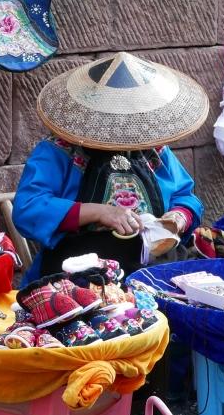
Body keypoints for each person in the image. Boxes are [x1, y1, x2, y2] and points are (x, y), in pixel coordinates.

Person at [13, 51, 208, 283]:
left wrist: (179, 217)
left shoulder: (154, 149)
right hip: (80, 274)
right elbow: (28, 208)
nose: (122, 121)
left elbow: (185, 196)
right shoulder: (58, 150)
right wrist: (100, 212)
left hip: (155, 268)